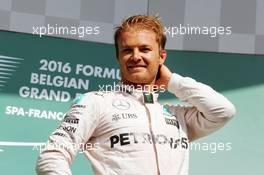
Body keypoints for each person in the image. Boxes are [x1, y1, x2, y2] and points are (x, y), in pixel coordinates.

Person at [36, 15, 236, 175]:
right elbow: (53, 155)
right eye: (127, 50)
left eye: (145, 49)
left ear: (161, 57)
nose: (136, 56)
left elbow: (223, 111)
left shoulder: (177, 116)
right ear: (118, 56)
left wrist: (172, 81)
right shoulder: (97, 102)